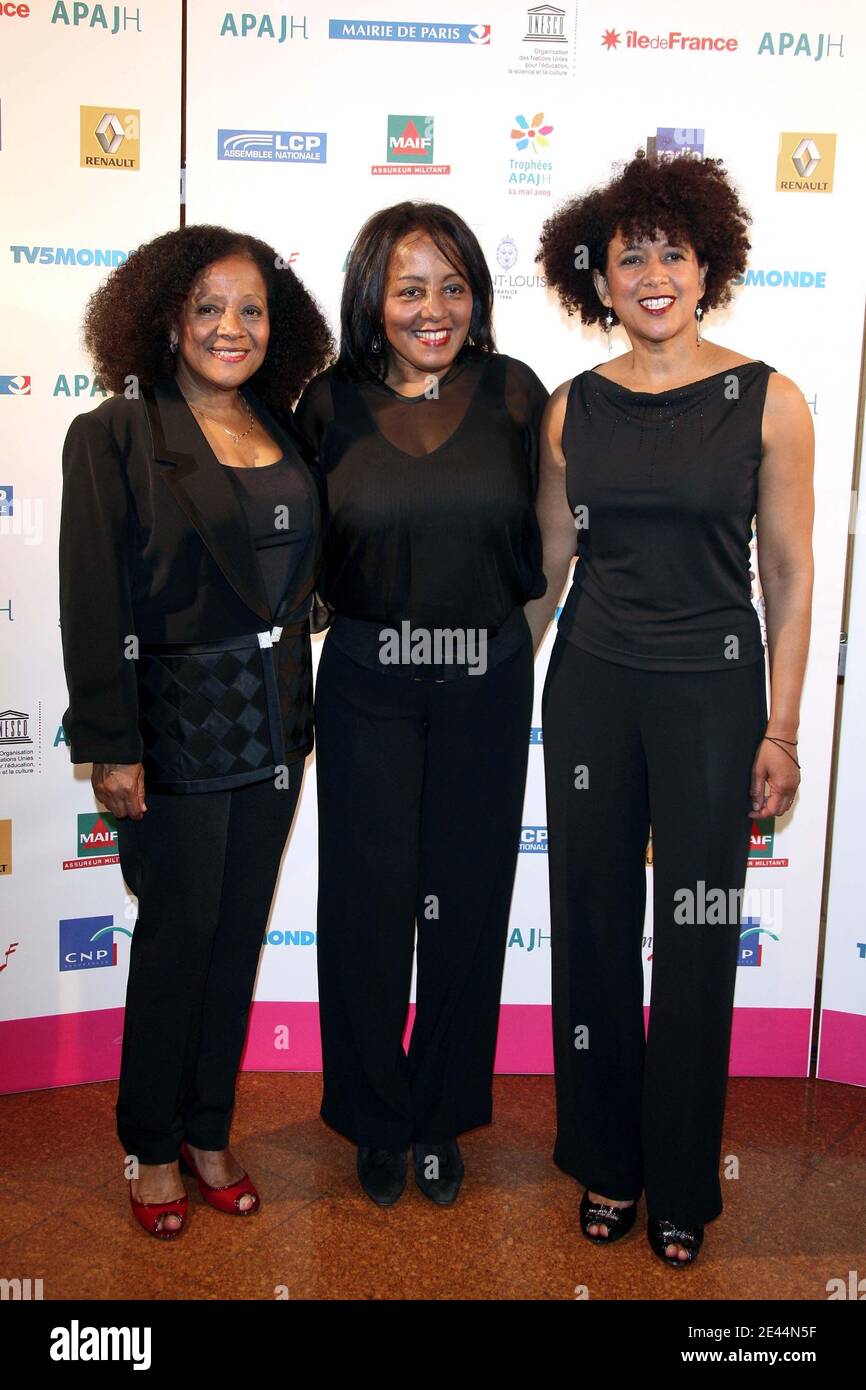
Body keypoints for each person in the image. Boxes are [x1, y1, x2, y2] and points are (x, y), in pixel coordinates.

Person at [529, 152, 814, 1266]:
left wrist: (779, 728)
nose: (650, 274)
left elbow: (787, 579)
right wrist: (471, 688)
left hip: (712, 694)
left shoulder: (767, 399)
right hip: (592, 688)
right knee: (592, 930)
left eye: (670, 254)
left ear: (707, 270)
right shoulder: (568, 411)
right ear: (596, 279)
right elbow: (545, 576)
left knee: (694, 939)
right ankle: (605, 1157)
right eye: (627, 256)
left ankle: (683, 1178)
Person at [59, 225, 332, 1238]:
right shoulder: (118, 433)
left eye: (252, 308)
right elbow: (93, 600)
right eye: (210, 306)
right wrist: (110, 741)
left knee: (236, 936)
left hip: (275, 727)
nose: (231, 326)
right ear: (168, 317)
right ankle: (149, 1139)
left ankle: (209, 1127)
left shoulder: (285, 428)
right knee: (177, 938)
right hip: (172, 729)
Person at [296, 201, 548, 1206]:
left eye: (452, 284)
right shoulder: (325, 404)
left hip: (484, 679)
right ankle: (371, 1116)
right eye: (409, 287)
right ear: (372, 297)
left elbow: (549, 548)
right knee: (363, 905)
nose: (432, 307)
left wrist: (505, 648)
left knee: (467, 901)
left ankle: (439, 1116)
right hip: (365, 677)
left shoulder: (517, 394)